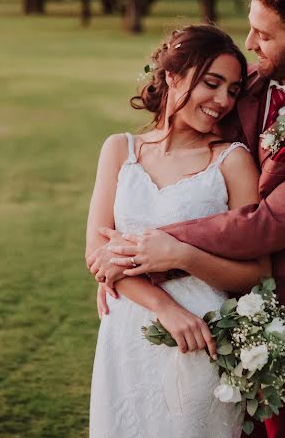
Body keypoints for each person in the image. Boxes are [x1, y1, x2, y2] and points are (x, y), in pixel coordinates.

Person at [90, 0, 285, 438]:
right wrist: (136, 269)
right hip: (187, 298)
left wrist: (138, 249)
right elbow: (178, 140)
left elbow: (264, 223)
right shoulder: (239, 82)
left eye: (262, 34)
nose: (249, 44)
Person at [85, 24, 272, 438]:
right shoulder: (120, 150)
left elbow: (257, 270)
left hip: (198, 339)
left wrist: (182, 256)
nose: (223, 101)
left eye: (234, 90)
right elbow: (97, 255)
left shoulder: (232, 162)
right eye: (212, 83)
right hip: (127, 335)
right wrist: (164, 309)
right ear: (172, 75)